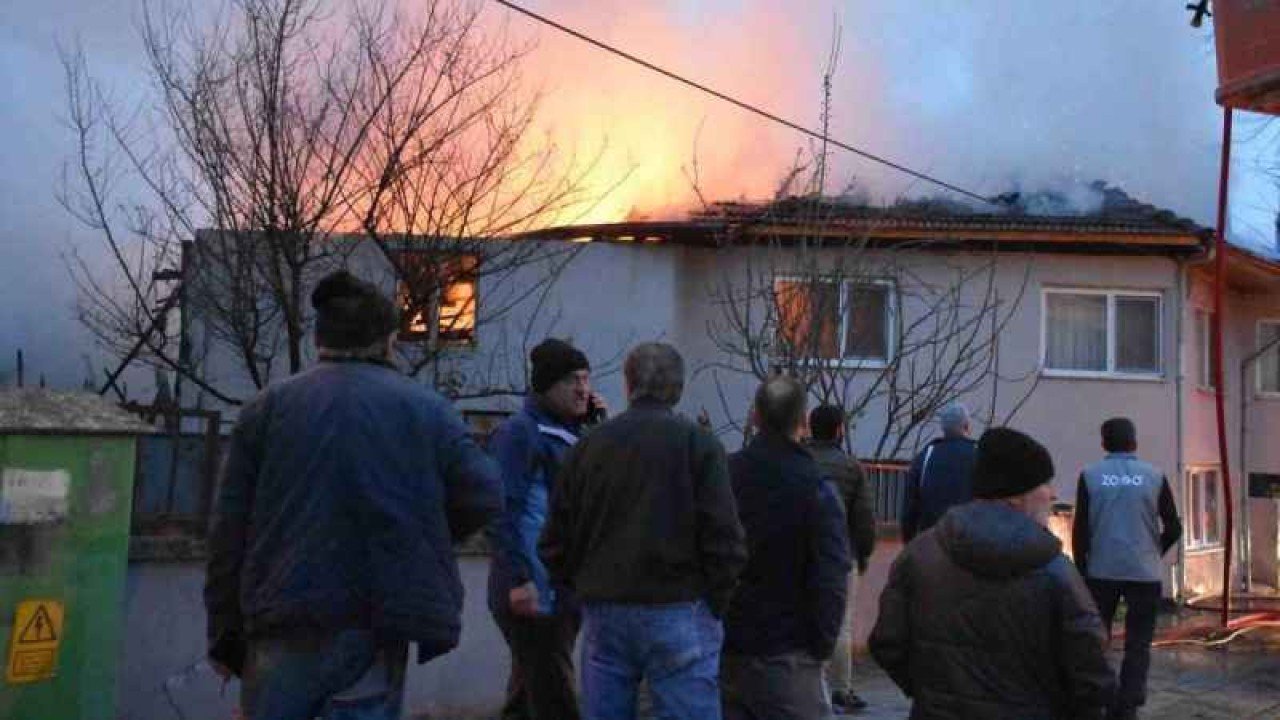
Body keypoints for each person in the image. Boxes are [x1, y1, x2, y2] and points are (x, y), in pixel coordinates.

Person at [205, 270, 502, 720]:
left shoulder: (265, 410)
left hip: (280, 620)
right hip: (375, 619)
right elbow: (484, 495)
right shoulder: (427, 410)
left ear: (318, 341)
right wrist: (422, 530)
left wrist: (224, 635)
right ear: (388, 341)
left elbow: (228, 533)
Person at [540, 342, 747, 720]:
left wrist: (580, 588)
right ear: (679, 388)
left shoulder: (588, 447)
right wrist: (715, 602)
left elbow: (556, 538)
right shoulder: (698, 445)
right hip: (680, 607)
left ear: (628, 384)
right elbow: (724, 537)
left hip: (606, 608)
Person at [870, 427, 1115, 720]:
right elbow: (1092, 671)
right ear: (1016, 497)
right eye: (1044, 484)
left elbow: (888, 643)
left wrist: (932, 695)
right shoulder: (1054, 571)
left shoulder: (920, 554)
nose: (1052, 494)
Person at [487, 338, 604, 720]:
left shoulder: (571, 434)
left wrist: (595, 430)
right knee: (555, 698)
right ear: (547, 385)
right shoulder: (521, 433)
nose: (583, 388)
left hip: (560, 588)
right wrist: (518, 579)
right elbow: (505, 511)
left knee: (527, 696)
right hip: (536, 589)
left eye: (586, 379)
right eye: (572, 379)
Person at [722, 378, 852, 720]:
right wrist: (822, 645)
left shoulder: (724, 474)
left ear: (754, 417)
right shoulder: (815, 486)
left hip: (729, 644)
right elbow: (831, 574)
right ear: (803, 421)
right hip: (790, 650)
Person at [1072, 418, 1183, 720]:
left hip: (1101, 571)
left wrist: (1082, 569)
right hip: (1143, 572)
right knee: (1138, 642)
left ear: (1104, 444)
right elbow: (1174, 527)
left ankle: (1100, 697)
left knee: (1098, 638)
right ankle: (1128, 705)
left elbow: (1080, 529)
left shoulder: (1090, 476)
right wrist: (1153, 550)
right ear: (1134, 443)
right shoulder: (1154, 476)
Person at [806, 404, 876, 714]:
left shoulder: (800, 462)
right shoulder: (851, 468)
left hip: (802, 554)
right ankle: (841, 690)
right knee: (841, 624)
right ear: (839, 430)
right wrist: (863, 554)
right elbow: (864, 519)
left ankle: (809, 683)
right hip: (841, 555)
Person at [900, 402, 978, 541]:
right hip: (970, 541)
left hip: (933, 542)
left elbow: (910, 506)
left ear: (943, 428)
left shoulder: (926, 456)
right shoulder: (979, 454)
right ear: (967, 426)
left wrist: (908, 539)